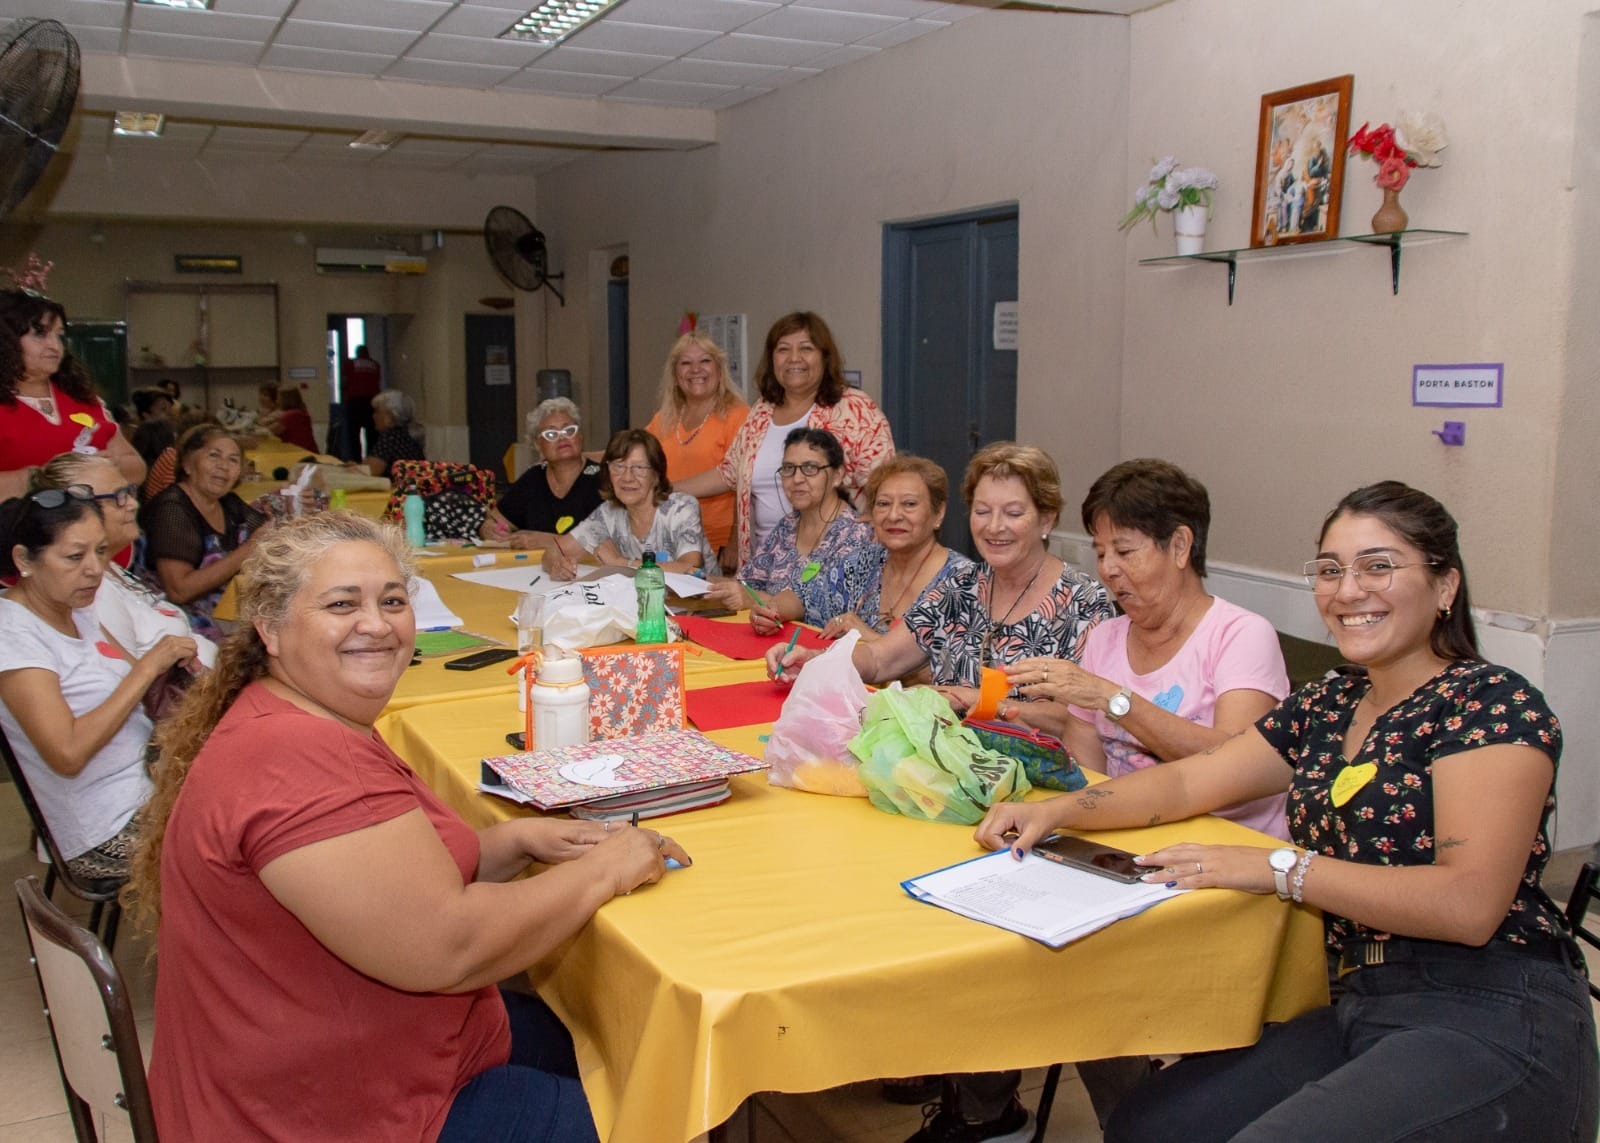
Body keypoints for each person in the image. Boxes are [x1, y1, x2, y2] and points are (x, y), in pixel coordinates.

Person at [975, 482, 1598, 1143]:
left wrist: (1278, 866)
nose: (1348, 590)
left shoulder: (1487, 703)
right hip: (1361, 996)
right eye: (1331, 570)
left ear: (1445, 585)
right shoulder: (1330, 703)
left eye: (1377, 566)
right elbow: (1184, 784)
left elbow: (1468, 904)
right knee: (1148, 1125)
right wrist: (1057, 811)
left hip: (1494, 1004)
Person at [127, 512, 688, 1141]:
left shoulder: (295, 718)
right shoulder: (297, 759)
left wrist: (512, 841)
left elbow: (381, 877)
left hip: (350, 1055)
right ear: (271, 629)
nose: (376, 623)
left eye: (392, 601)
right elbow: (449, 948)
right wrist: (606, 869)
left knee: (617, 1037)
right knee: (662, 1105)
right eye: (342, 604)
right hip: (336, 1113)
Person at [1003, 459, 1290, 838]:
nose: (1108, 569)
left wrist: (1111, 698)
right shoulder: (1105, 638)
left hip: (1223, 841)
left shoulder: (1241, 635)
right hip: (1125, 835)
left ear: (1180, 546)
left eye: (1124, 551)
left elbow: (1237, 765)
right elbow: (1088, 775)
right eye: (1101, 553)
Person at [771, 443, 1112, 712]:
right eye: (982, 511)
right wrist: (814, 660)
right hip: (943, 759)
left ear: (1047, 520)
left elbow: (1079, 719)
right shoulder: (960, 587)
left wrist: (978, 701)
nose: (994, 527)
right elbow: (879, 658)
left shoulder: (1083, 601)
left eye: (1013, 513)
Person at [0, 486, 196, 881]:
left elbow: (138, 690)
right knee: (256, 828)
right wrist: (148, 667)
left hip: (150, 782)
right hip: (105, 828)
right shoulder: (12, 634)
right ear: (24, 560)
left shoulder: (74, 605)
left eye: (101, 551)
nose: (95, 569)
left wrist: (174, 670)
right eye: (75, 556)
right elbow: (67, 753)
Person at [674, 312, 894, 570]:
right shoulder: (762, 411)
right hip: (764, 566)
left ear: (824, 357)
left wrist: (880, 518)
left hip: (832, 565)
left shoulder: (853, 407)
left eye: (806, 348)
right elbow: (729, 472)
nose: (794, 358)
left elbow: (886, 479)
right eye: (783, 349)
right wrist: (663, 489)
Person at [31, 453, 218, 668]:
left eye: (129, 492)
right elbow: (124, 677)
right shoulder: (90, 589)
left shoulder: (112, 569)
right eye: (118, 496)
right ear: (76, 513)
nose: (133, 504)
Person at [704, 428, 874, 629]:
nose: (797, 479)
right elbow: (746, 584)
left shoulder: (857, 534)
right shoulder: (788, 526)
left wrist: (754, 599)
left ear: (837, 476)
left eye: (810, 468)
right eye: (788, 468)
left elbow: (825, 610)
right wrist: (700, 579)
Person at [795, 454, 970, 641]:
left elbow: (954, 659)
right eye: (883, 504)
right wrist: (776, 608)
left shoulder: (963, 582)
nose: (893, 515)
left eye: (909, 504)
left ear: (939, 513)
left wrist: (869, 638)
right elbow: (805, 597)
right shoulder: (863, 562)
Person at [0, 288, 146, 500]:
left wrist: (113, 465)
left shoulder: (82, 397)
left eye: (59, 336)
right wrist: (41, 479)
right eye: (40, 334)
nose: (55, 346)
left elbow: (137, 467)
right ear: (6, 340)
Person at [139, 425, 267, 639]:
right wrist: (248, 549)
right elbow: (179, 591)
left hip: (226, 615)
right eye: (214, 455)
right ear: (187, 464)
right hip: (184, 629)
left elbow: (269, 532)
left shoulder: (227, 504)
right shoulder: (172, 509)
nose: (223, 466)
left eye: (233, 460)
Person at [542, 428, 713, 579]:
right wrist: (558, 566)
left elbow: (689, 568)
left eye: (639, 468)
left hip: (703, 601)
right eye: (618, 466)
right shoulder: (608, 513)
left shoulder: (681, 508)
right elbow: (553, 551)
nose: (627, 477)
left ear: (656, 475)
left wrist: (621, 562)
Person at [644, 332, 749, 575]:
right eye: (685, 363)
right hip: (671, 538)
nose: (695, 370)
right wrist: (581, 457)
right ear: (675, 373)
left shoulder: (739, 415)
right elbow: (631, 454)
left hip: (720, 543)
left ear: (719, 370)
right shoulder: (665, 418)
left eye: (705, 361)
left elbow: (745, 480)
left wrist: (734, 542)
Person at [480, 398, 603, 551]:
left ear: (580, 436)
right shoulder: (533, 479)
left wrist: (550, 541)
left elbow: (612, 543)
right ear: (538, 445)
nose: (562, 438)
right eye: (551, 434)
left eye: (568, 430)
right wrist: (489, 528)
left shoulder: (603, 479)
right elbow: (493, 520)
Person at [353, 389, 425, 478]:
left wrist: (353, 468)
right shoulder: (407, 435)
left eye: (377, 412)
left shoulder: (391, 437)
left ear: (389, 417)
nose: (373, 416)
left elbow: (369, 471)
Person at [344, 343, 381, 457]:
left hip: (354, 402)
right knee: (372, 434)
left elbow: (345, 381)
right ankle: (372, 457)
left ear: (357, 353)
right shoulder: (375, 365)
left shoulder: (350, 364)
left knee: (354, 434)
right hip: (372, 402)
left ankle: (356, 459)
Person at [260, 384, 318, 453]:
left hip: (303, 454)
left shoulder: (292, 415)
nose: (277, 400)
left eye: (278, 398)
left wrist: (267, 419)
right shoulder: (298, 411)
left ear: (285, 399)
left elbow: (270, 430)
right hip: (300, 451)